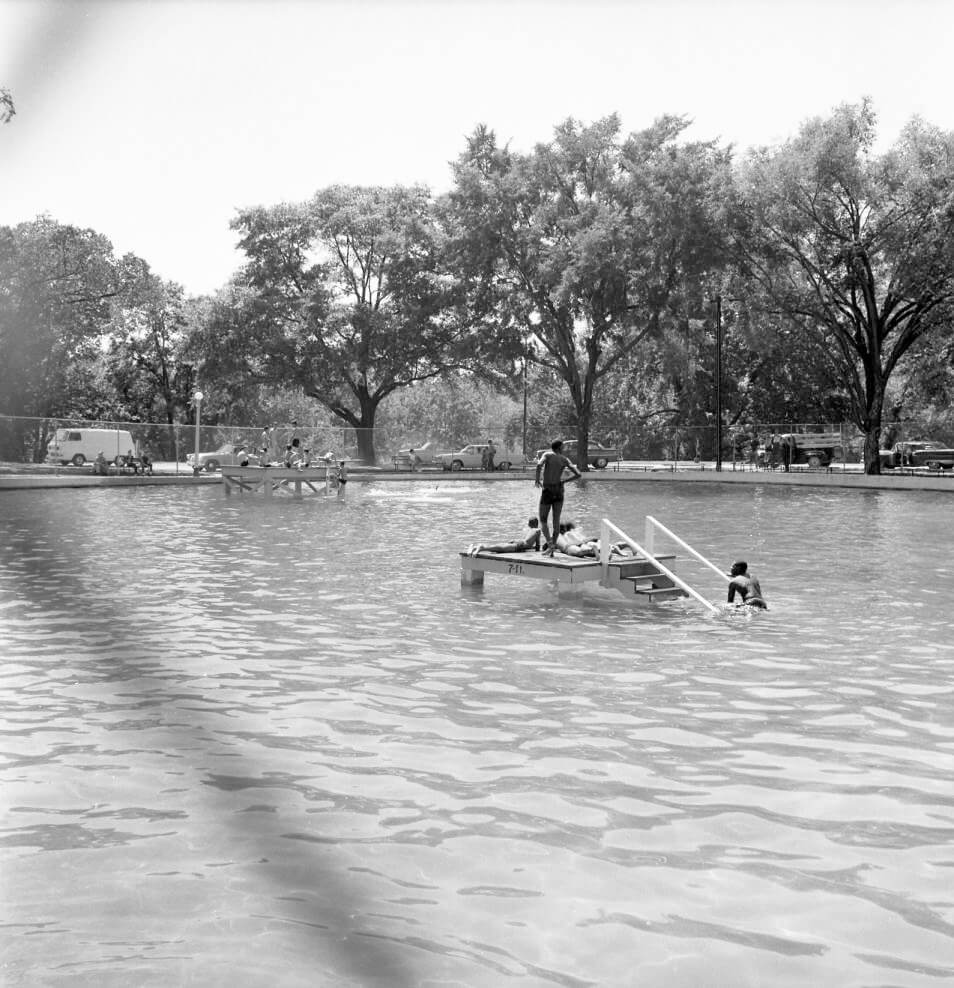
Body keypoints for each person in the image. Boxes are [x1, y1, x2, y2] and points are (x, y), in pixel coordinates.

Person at [535, 440, 583, 556]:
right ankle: (552, 548)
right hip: (559, 491)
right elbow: (578, 474)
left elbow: (539, 465)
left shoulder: (547, 455)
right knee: (556, 520)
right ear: (560, 448)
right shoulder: (564, 459)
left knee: (543, 519)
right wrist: (564, 481)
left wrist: (537, 479)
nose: (564, 449)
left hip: (548, 491)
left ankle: (550, 544)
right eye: (563, 447)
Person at [468, 518, 540, 556]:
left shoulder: (529, 531)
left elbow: (527, 542)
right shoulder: (537, 530)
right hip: (519, 546)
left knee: (499, 547)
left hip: (519, 544)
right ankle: (480, 548)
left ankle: (474, 548)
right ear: (537, 523)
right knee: (500, 549)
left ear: (529, 524)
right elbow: (537, 546)